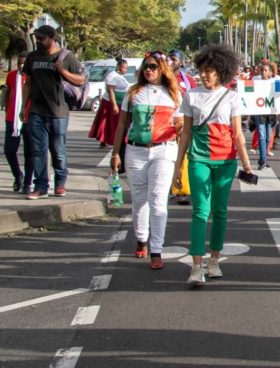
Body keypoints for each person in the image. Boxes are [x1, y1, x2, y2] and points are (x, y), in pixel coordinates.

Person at [172, 44, 254, 287]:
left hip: (226, 162)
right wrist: (178, 166)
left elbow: (238, 134)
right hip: (199, 160)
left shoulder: (232, 97)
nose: (204, 75)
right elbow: (185, 134)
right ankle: (196, 266)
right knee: (200, 212)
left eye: (210, 71)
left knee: (220, 212)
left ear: (221, 71)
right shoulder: (191, 95)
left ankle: (214, 260)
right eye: (202, 70)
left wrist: (247, 164)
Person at [109, 52, 182, 269]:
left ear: (163, 69)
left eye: (153, 66)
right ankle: (142, 239)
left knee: (158, 200)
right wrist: (115, 153)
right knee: (140, 200)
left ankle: (157, 249)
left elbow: (181, 126)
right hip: (136, 151)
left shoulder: (175, 94)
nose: (148, 70)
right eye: (145, 67)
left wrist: (180, 127)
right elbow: (122, 125)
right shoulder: (133, 93)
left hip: (164, 150)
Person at [22, 25, 86, 200]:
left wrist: (62, 71)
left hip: (58, 112)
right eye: (37, 38)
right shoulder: (33, 57)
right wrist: (23, 107)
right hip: (36, 110)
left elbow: (81, 80)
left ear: (52, 37)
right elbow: (28, 82)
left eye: (42, 38)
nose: (39, 41)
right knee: (38, 150)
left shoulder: (66, 57)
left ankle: (60, 184)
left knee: (58, 150)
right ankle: (41, 186)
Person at [169, 49, 196, 206]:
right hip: (163, 124)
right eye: (169, 59)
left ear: (181, 61)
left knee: (182, 156)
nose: (171, 62)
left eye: (174, 59)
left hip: (182, 122)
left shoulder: (188, 80)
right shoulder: (160, 77)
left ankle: (182, 191)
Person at [3, 52, 32, 193]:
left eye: (23, 63)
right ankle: (18, 175)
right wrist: (7, 109)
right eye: (18, 63)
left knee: (29, 153)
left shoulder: (32, 77)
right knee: (9, 150)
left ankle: (27, 183)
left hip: (29, 119)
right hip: (12, 119)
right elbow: (8, 92)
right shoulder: (11, 75)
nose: (21, 66)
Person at [88, 58, 129, 149]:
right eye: (124, 68)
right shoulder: (112, 76)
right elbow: (110, 91)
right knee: (109, 123)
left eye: (126, 68)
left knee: (112, 123)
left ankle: (108, 140)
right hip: (111, 102)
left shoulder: (119, 76)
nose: (125, 70)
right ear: (118, 67)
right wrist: (114, 105)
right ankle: (107, 141)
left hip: (119, 102)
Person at [250, 61, 278, 170]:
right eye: (262, 70)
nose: (263, 72)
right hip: (259, 113)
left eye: (265, 70)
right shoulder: (255, 81)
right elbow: (249, 95)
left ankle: (264, 158)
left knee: (267, 137)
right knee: (261, 136)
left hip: (270, 113)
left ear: (270, 73)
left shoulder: (275, 82)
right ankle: (262, 160)